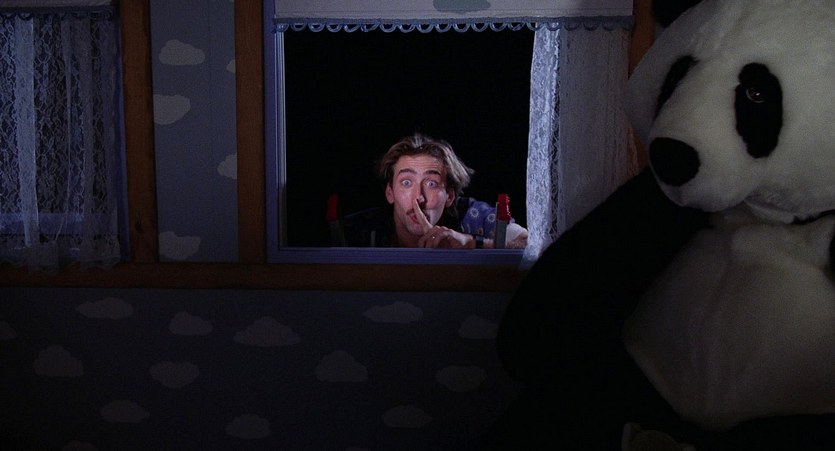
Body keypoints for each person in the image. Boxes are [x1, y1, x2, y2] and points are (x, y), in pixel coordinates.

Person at [340, 133, 528, 249]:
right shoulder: (364, 228)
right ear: (390, 193)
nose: (419, 198)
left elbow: (531, 246)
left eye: (431, 183)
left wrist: (471, 243)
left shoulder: (470, 215)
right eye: (406, 182)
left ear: (449, 196)